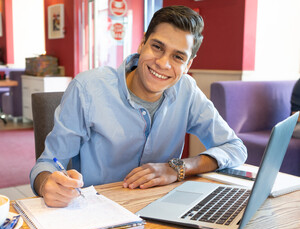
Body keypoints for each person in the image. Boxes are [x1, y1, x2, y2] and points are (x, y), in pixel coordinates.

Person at [30, 5, 247, 207]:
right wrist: (46, 183)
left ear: (188, 64)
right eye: (157, 47)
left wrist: (177, 168)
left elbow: (234, 148)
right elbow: (47, 164)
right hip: (97, 211)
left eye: (178, 57)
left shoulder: (187, 90)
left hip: (161, 210)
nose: (163, 63)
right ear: (142, 44)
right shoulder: (87, 88)